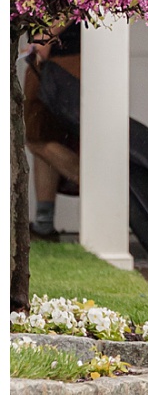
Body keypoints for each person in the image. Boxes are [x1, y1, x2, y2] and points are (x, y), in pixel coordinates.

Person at [23, 25, 82, 237]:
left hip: (65, 57)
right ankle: (43, 224)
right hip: (49, 56)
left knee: (37, 139)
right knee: (43, 137)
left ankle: (106, 196)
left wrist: (46, 37)